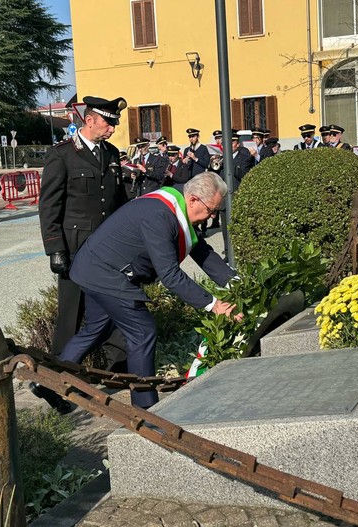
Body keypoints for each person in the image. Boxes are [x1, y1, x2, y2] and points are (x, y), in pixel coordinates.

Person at [60, 172, 241, 408]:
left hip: (96, 269)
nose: (212, 216)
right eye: (211, 210)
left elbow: (201, 251)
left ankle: (49, 383)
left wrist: (235, 283)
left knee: (96, 329)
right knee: (142, 332)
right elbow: (170, 275)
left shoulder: (178, 205)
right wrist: (213, 305)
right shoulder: (160, 215)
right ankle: (145, 409)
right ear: (194, 199)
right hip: (104, 274)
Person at [38, 95, 130, 412]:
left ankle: (118, 376)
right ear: (89, 120)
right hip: (75, 251)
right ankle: (55, 387)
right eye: (109, 122)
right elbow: (49, 206)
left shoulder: (112, 154)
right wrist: (55, 249)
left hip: (108, 251)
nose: (113, 128)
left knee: (119, 307)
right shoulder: (62, 156)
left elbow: (118, 203)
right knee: (72, 319)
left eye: (115, 122)